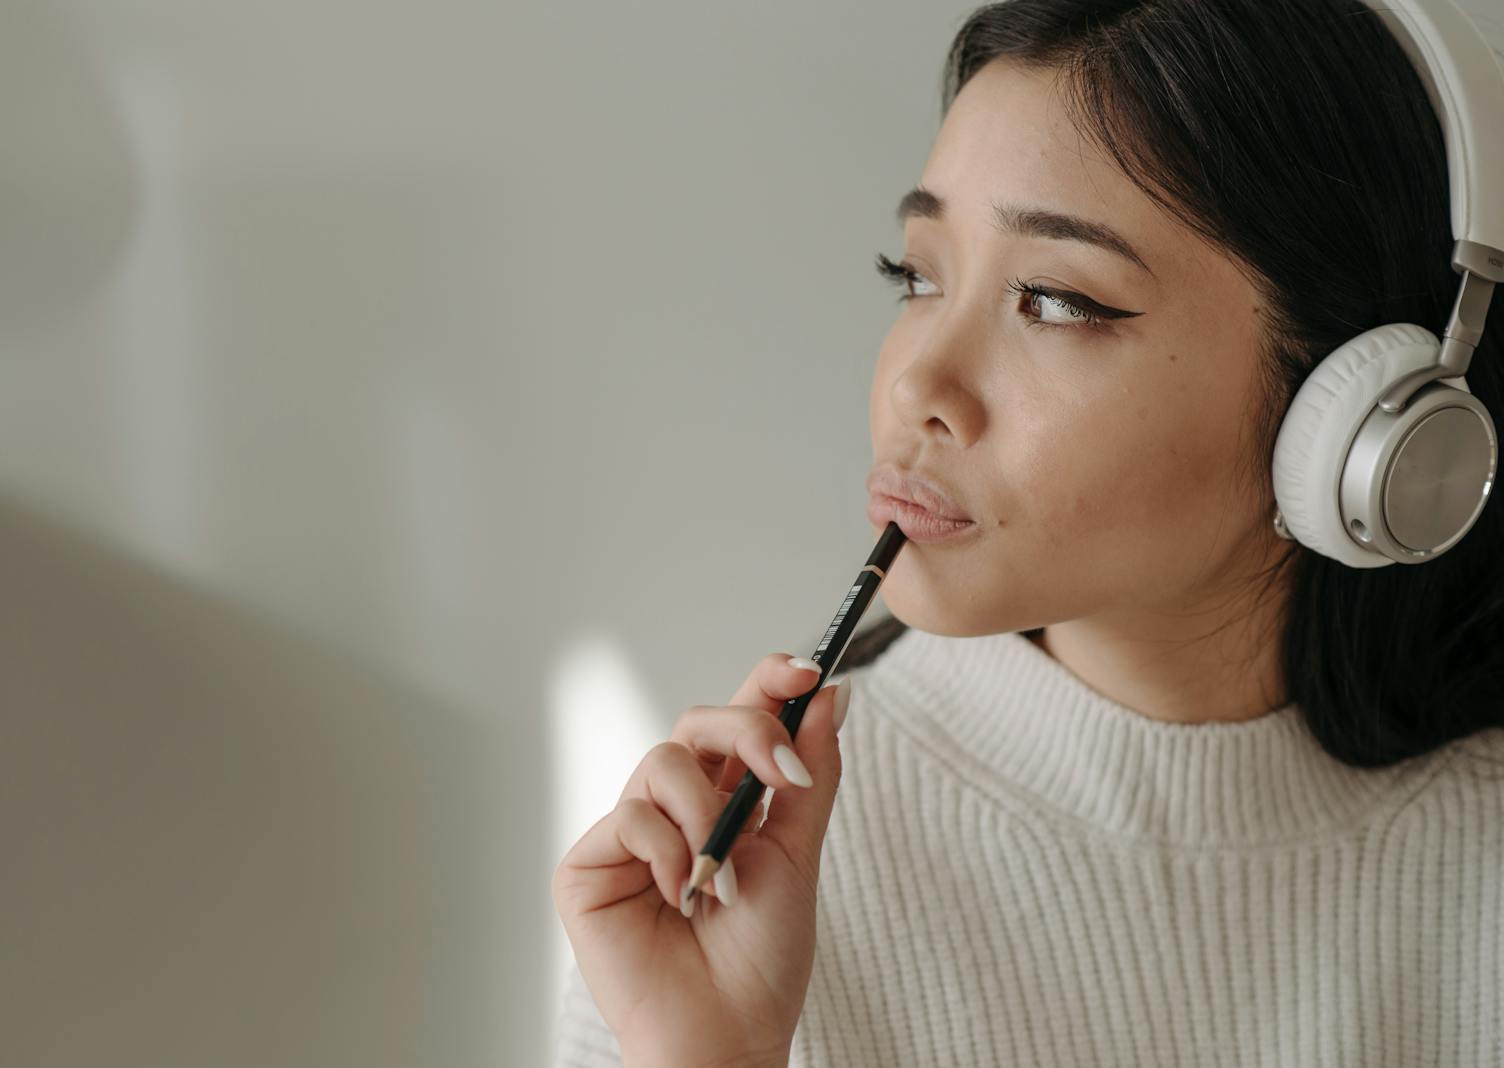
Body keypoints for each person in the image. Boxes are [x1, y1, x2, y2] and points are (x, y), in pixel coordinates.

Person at [551, 0, 1504, 1063]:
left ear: (1358, 413)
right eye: (918, 276)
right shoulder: (721, 886)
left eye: (1053, 300)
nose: (917, 382)